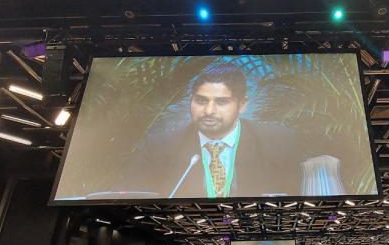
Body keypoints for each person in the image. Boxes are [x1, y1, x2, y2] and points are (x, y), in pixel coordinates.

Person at [122, 62, 303, 199]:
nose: (209, 111)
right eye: (201, 101)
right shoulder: (158, 147)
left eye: (221, 102)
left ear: (242, 104)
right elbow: (135, 201)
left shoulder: (279, 142)